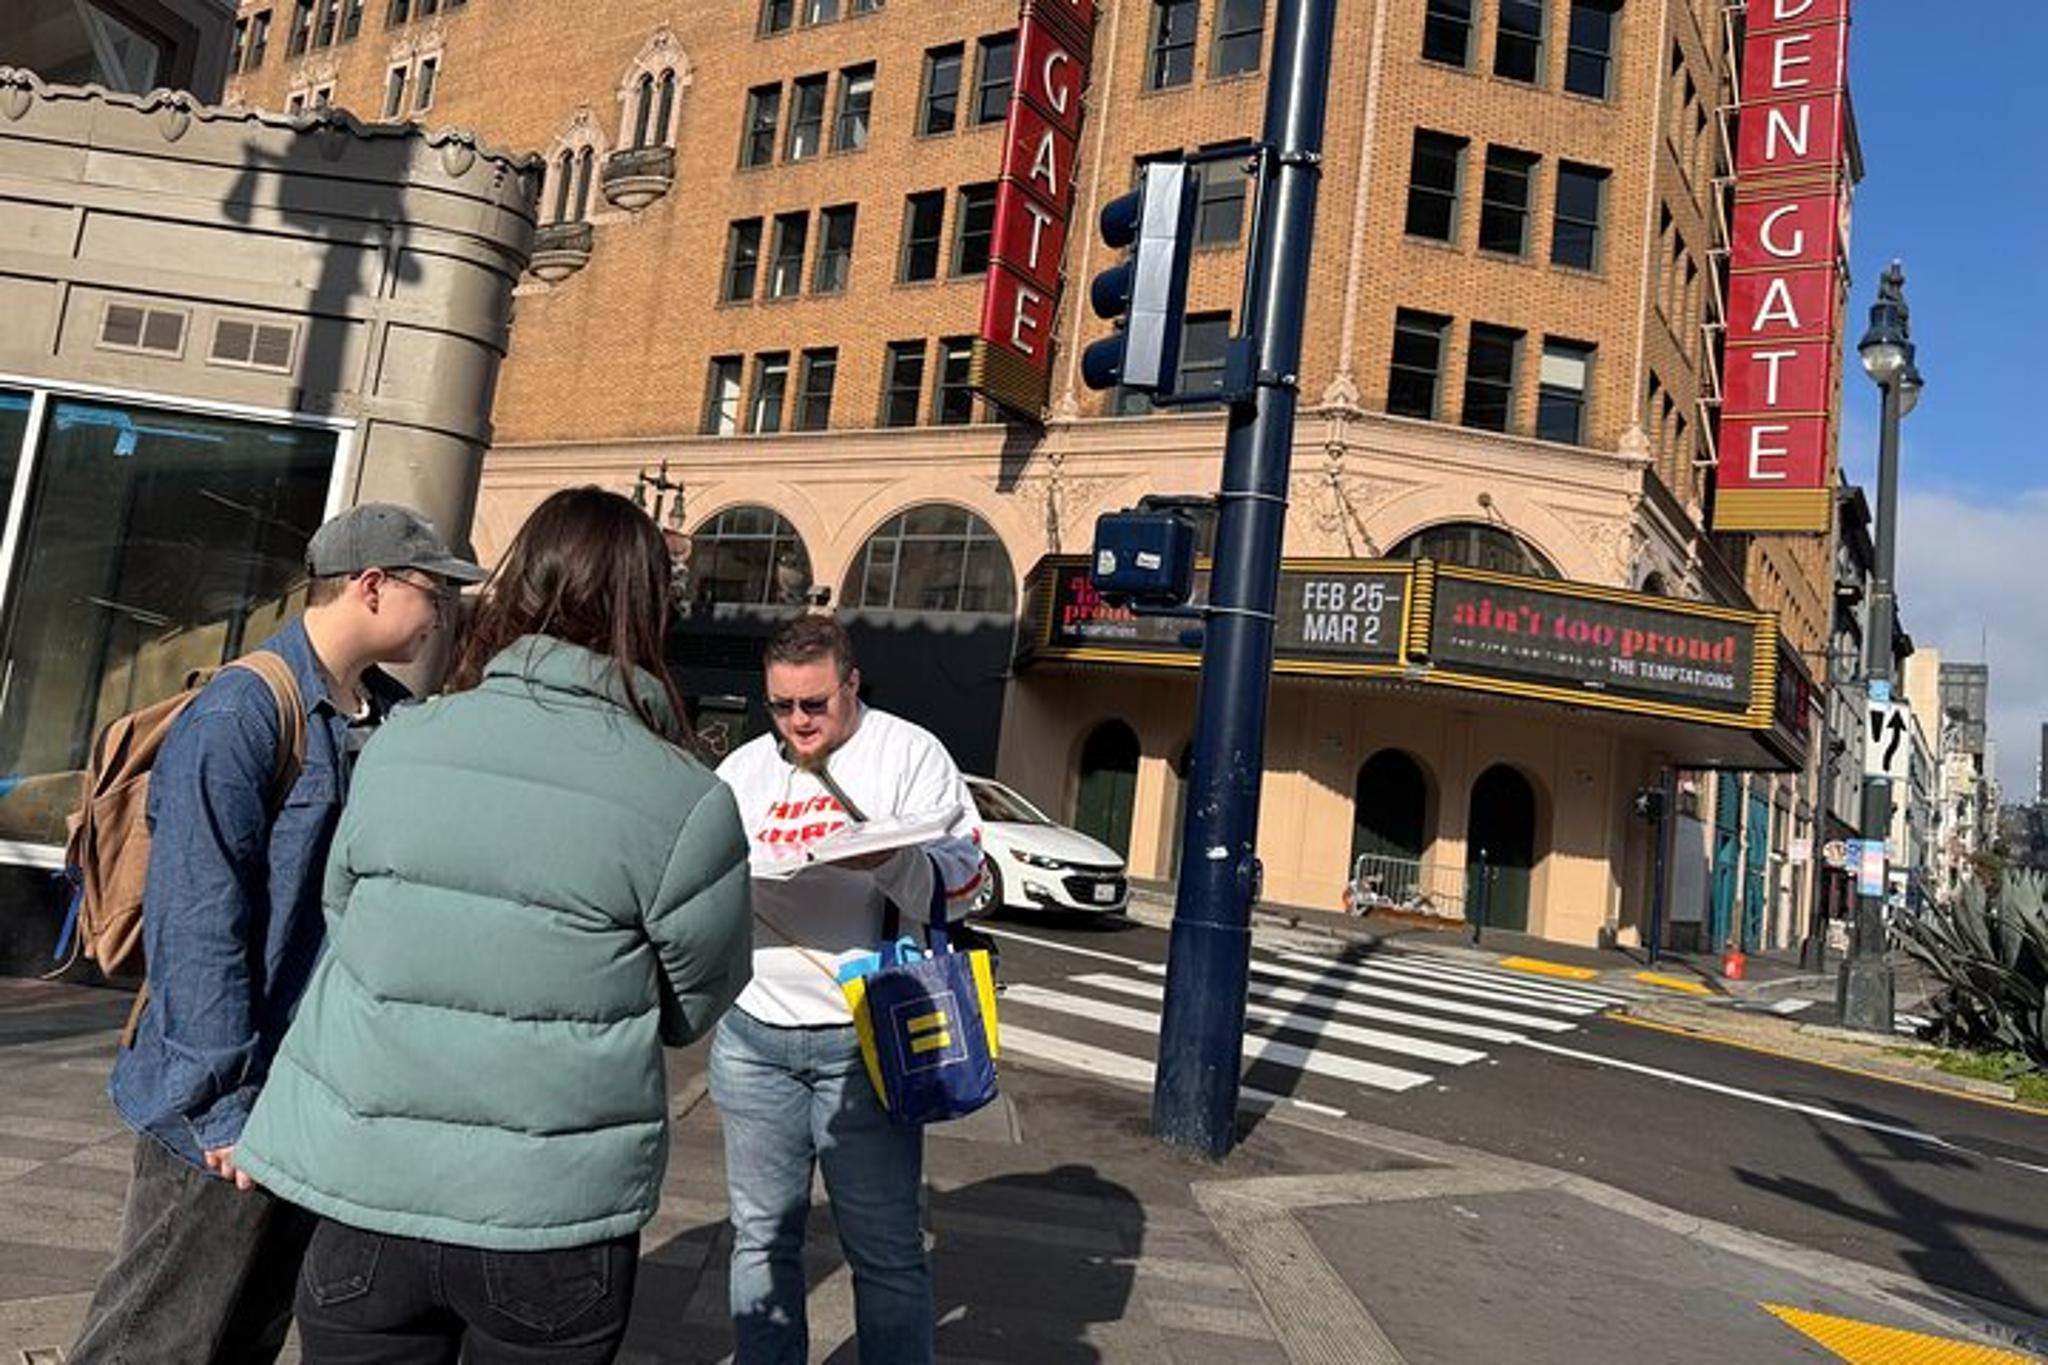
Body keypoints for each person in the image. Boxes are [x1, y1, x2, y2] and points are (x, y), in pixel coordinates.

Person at [229, 486, 754, 1364]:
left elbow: (348, 916)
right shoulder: (687, 800)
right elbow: (692, 1003)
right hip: (551, 1211)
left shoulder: (401, 741)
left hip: (369, 1189)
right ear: (650, 611)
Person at [71, 503, 487, 1365]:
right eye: (434, 590)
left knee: (246, 1333)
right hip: (224, 1104)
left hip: (305, 1095)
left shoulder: (384, 716)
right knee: (156, 1338)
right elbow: (198, 920)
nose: (444, 609)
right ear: (372, 585)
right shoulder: (245, 711)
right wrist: (221, 1106)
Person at [712, 614, 984, 1365]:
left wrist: (888, 863)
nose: (798, 722)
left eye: (815, 704)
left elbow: (966, 878)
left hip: (864, 1037)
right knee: (761, 1238)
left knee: (886, 1245)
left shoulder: (909, 752)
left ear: (851, 684)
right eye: (781, 706)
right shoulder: (741, 771)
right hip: (753, 1033)